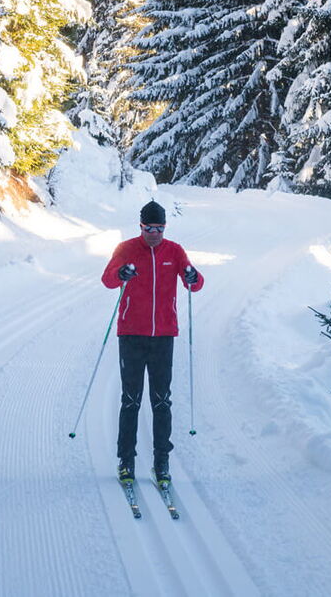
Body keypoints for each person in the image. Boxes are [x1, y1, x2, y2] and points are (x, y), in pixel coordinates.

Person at [101, 200, 203, 487]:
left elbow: (194, 282)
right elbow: (107, 279)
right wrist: (121, 274)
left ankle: (162, 463)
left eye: (159, 228)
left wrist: (193, 277)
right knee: (130, 400)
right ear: (141, 226)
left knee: (161, 401)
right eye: (149, 228)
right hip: (131, 335)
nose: (154, 233)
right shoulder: (127, 249)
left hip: (163, 337)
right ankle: (126, 461)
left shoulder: (175, 251)